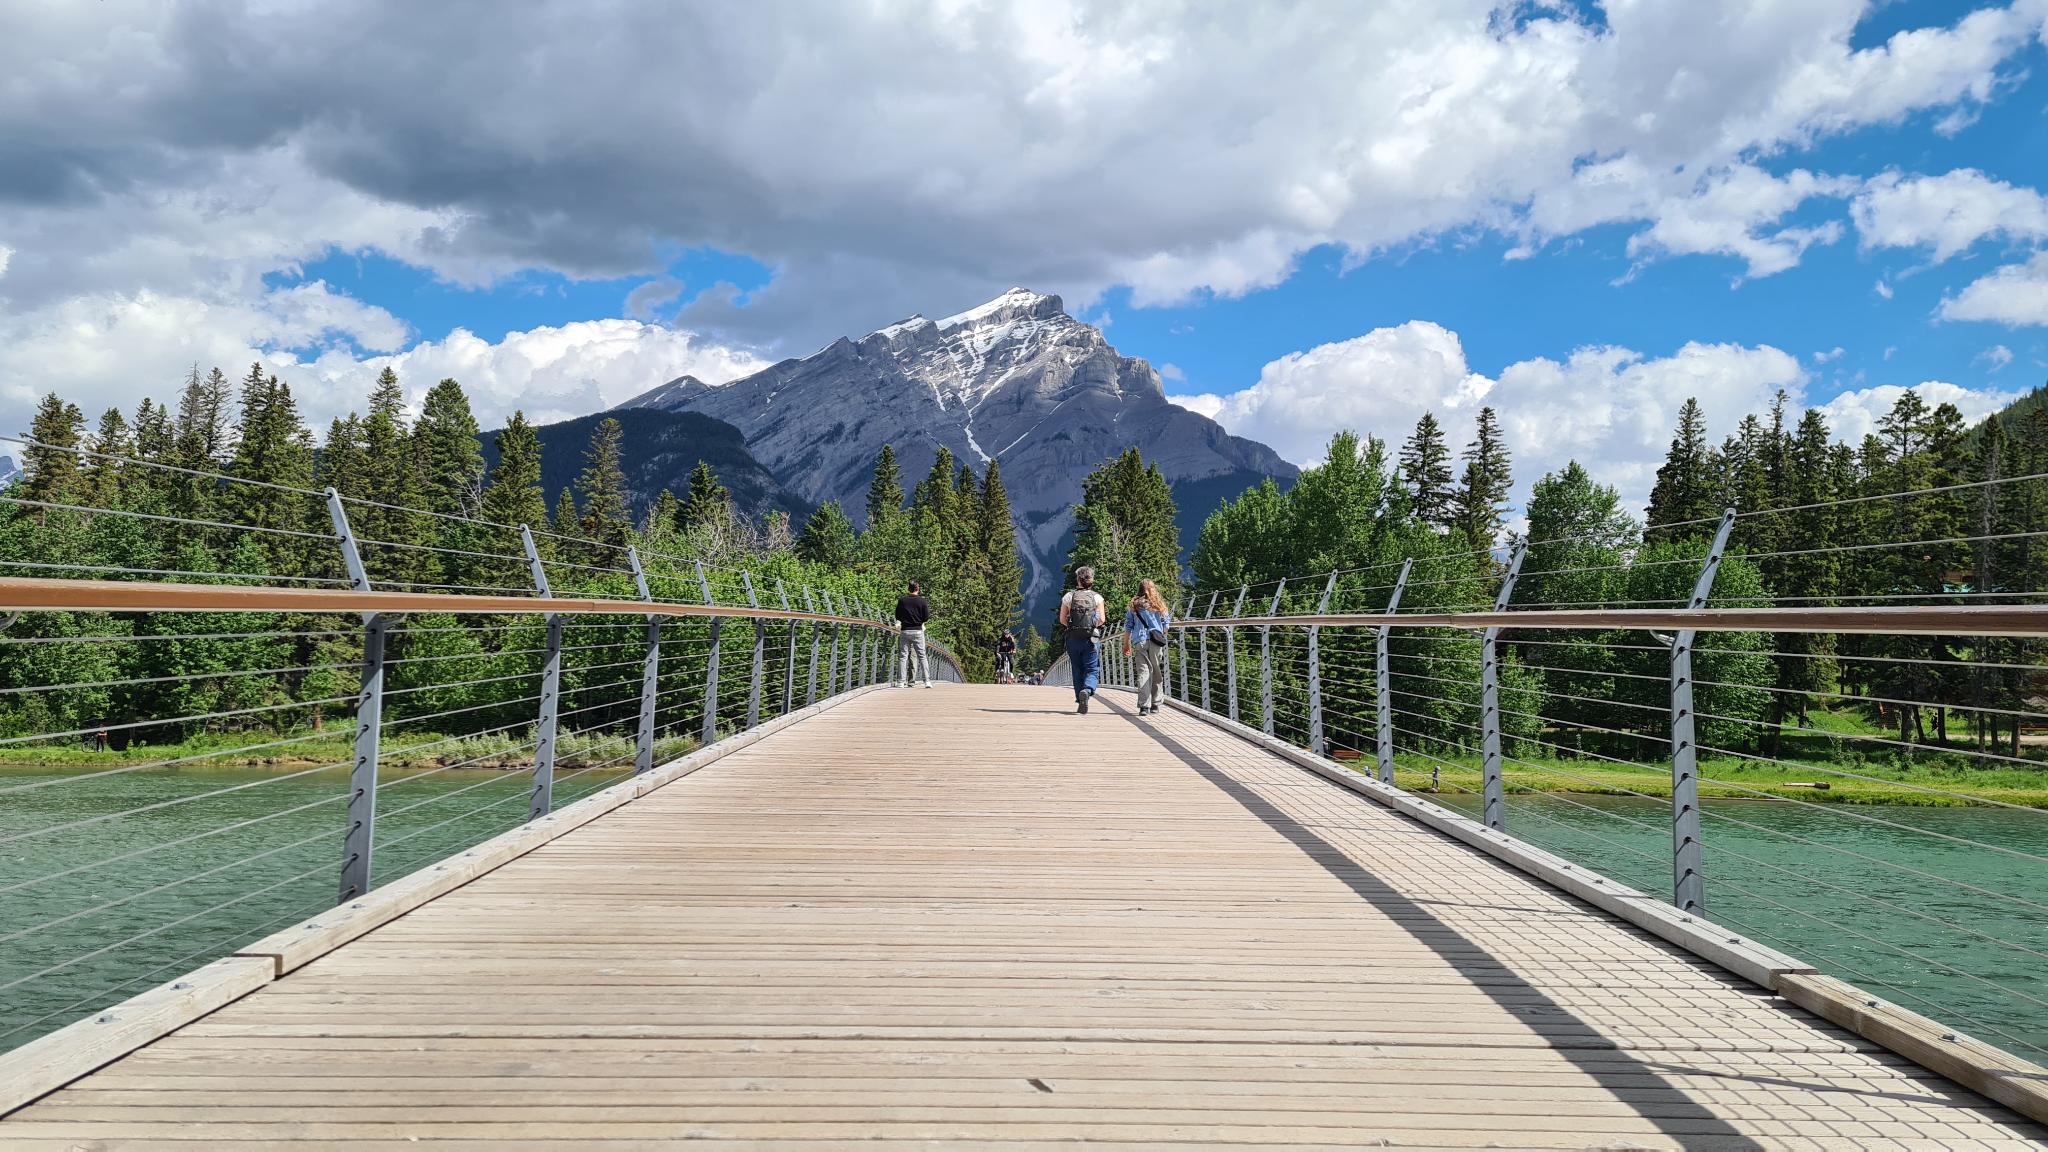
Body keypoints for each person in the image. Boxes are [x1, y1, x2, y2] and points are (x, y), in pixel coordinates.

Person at [1057, 566, 1106, 714]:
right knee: (1091, 668)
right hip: (1090, 639)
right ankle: (1087, 689)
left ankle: (1080, 698)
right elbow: (1102, 619)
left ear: (1078, 579)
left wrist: (1073, 626)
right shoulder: (1097, 598)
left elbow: (1062, 619)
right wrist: (1091, 625)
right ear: (1091, 580)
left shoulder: (1069, 597)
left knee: (1077, 669)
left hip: (1073, 638)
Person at [1123, 579, 1172, 716]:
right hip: (1156, 643)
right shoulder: (1159, 605)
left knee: (1144, 672)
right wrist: (1161, 633)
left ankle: (1144, 706)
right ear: (1153, 589)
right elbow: (1166, 624)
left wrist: (1126, 644)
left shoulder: (1134, 606)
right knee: (1156, 671)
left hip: (1140, 641)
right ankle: (1155, 704)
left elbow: (1128, 626)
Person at [894, 580, 932, 688]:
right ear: (918, 589)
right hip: (918, 631)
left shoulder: (902, 601)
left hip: (905, 631)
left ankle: (900, 682)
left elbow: (898, 615)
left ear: (908, 589)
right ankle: (927, 681)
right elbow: (926, 618)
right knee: (922, 656)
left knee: (903, 657)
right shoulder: (922, 601)